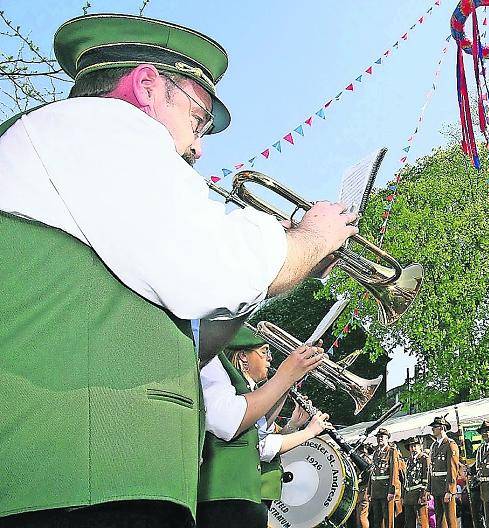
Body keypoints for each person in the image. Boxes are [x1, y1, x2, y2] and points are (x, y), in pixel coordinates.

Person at [0, 12, 358, 527]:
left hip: (96, 478)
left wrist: (286, 269)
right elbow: (212, 270)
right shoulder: (100, 125)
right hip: (81, 482)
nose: (199, 146)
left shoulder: (76, 155)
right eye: (198, 119)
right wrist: (306, 239)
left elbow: (192, 344)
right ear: (147, 87)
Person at [197, 327, 330, 528]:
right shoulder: (217, 368)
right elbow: (232, 425)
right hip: (224, 497)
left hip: (243, 496)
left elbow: (259, 429)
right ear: (243, 356)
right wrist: (309, 431)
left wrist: (290, 379)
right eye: (264, 352)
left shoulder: (245, 388)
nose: (270, 359)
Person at [428, 416, 461, 528]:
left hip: (445, 486)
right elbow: (431, 469)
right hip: (436, 487)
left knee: (450, 518)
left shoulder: (450, 444)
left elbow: (452, 469)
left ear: (442, 428)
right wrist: (429, 488)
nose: (432, 429)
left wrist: (450, 490)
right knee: (439, 519)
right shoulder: (434, 445)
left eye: (435, 427)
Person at [370, 429, 402, 528]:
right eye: (378, 437)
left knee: (388, 519)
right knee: (377, 520)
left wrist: (392, 491)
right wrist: (369, 491)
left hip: (386, 490)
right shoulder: (375, 453)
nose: (380, 438)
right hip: (375, 491)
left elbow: (394, 472)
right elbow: (372, 473)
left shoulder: (391, 451)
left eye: (382, 436)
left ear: (387, 438)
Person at [400, 437, 432, 528]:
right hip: (408, 496)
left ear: (420, 447)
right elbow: (406, 479)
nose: (413, 449)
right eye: (411, 447)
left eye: (415, 446)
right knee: (409, 523)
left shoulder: (424, 458)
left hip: (419, 495)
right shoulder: (408, 460)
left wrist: (423, 494)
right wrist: (403, 496)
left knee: (422, 522)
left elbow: (426, 477)